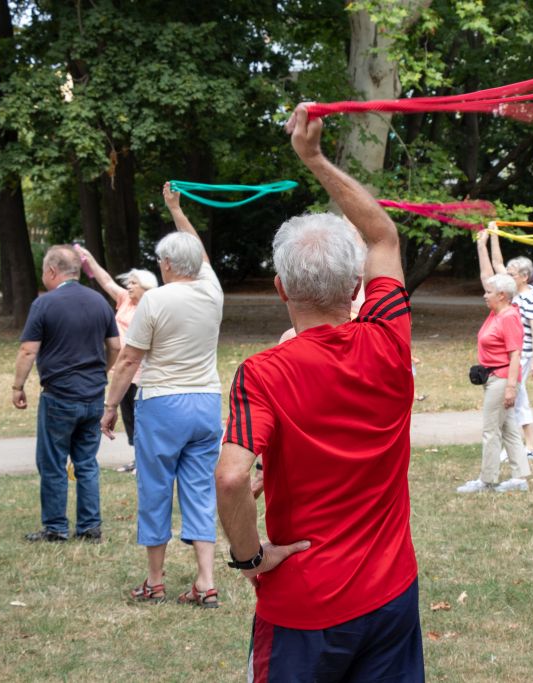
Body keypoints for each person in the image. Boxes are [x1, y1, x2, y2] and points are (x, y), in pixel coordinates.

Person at [215, 103, 423, 681]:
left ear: (280, 288)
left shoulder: (263, 372)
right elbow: (382, 233)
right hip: (391, 595)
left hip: (305, 607)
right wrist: (314, 158)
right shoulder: (388, 339)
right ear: (357, 285)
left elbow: (230, 476)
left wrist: (248, 556)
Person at [100, 182, 224, 607]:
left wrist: (111, 406)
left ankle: (155, 581)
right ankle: (206, 581)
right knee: (200, 490)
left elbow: (129, 361)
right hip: (207, 404)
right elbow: (200, 252)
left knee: (155, 489)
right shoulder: (212, 290)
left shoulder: (154, 302)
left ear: (168, 264)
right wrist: (176, 208)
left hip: (162, 404)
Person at [13, 246, 120, 542]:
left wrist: (17, 386)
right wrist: (103, 372)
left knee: (52, 463)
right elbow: (115, 346)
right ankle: (89, 526)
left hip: (59, 395)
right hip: (93, 395)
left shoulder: (45, 304)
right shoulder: (99, 301)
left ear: (51, 271)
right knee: (86, 462)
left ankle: (56, 527)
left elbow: (28, 350)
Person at [457, 231, 532, 493]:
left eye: (489, 292)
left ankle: (487, 480)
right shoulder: (496, 311)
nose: (484, 294)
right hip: (495, 379)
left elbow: (515, 355)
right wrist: (481, 245)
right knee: (509, 427)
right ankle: (520, 477)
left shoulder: (509, 317)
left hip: (501, 381)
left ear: (501, 295)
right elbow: (486, 277)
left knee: (491, 430)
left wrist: (511, 387)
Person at [74, 246, 158, 473]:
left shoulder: (153, 304)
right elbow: (105, 280)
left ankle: (146, 460)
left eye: (134, 283)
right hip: (123, 371)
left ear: (147, 286)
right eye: (129, 283)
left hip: (142, 372)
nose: (129, 287)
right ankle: (137, 458)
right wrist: (88, 257)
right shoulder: (124, 300)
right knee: (128, 416)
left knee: (143, 418)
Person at [485, 231, 533, 459]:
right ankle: (526, 446)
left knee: (516, 397)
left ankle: (523, 447)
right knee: (519, 397)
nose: (507, 276)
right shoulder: (512, 293)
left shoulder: (531, 299)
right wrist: (494, 233)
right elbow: (497, 262)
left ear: (524, 277)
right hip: (512, 354)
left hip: (524, 355)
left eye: (512, 274)